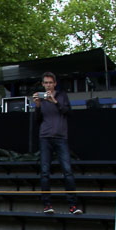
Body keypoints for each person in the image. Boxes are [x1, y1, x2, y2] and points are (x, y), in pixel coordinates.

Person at [33, 72, 79, 214]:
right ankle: (47, 204)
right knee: (45, 172)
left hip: (60, 137)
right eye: (46, 83)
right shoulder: (41, 98)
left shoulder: (61, 96)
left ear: (55, 83)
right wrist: (38, 105)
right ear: (42, 84)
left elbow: (69, 112)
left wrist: (55, 102)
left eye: (50, 83)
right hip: (45, 137)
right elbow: (36, 120)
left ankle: (73, 205)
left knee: (67, 171)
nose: (48, 85)